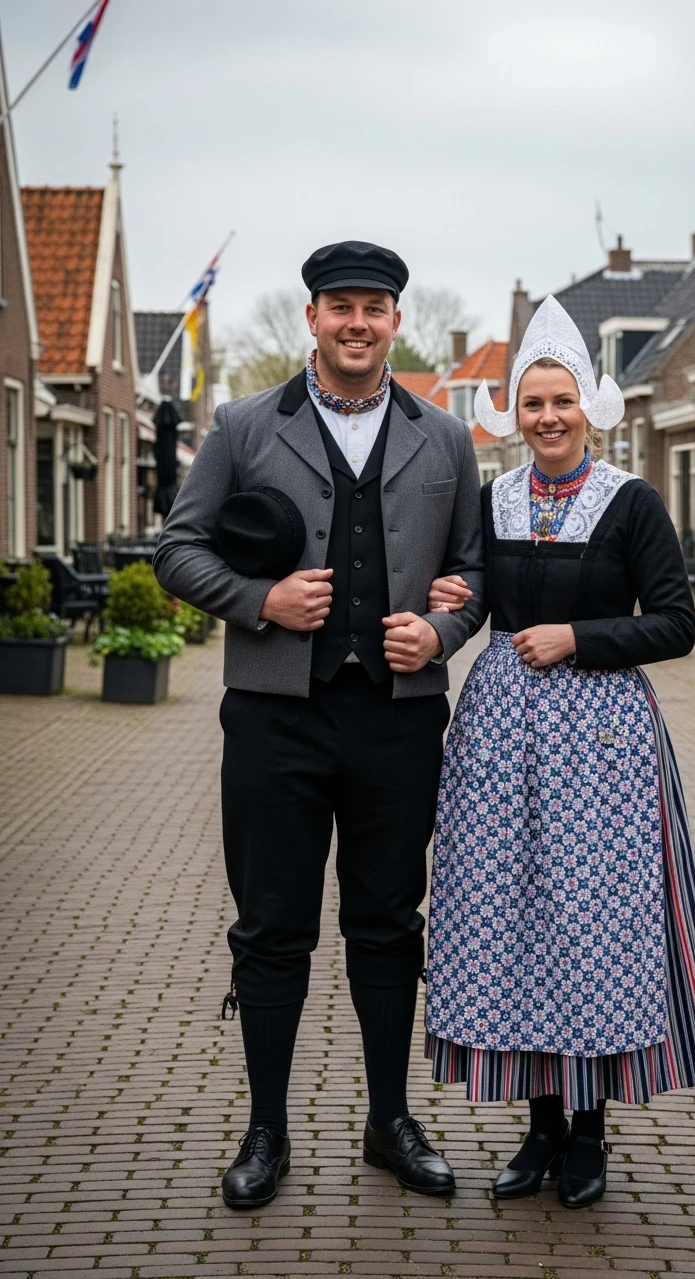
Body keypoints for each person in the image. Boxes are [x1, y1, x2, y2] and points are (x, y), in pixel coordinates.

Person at [153, 241, 486, 1207]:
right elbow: (177, 548)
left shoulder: (446, 439)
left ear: (395, 323)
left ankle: (390, 1122)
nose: (356, 322)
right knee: (271, 928)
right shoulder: (245, 425)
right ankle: (266, 1130)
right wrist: (260, 601)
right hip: (273, 720)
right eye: (339, 305)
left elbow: (472, 571)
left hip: (398, 720)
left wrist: (442, 630)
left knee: (388, 923)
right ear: (311, 318)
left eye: (374, 308)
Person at [423, 296, 695, 1209]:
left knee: (595, 926)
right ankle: (539, 1127)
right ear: (513, 412)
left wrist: (577, 639)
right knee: (511, 921)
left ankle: (589, 1134)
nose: (548, 417)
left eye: (562, 401)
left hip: (603, 747)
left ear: (589, 405)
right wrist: (447, 603)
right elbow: (468, 595)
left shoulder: (632, 502)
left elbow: (677, 624)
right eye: (532, 402)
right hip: (503, 737)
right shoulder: (491, 500)